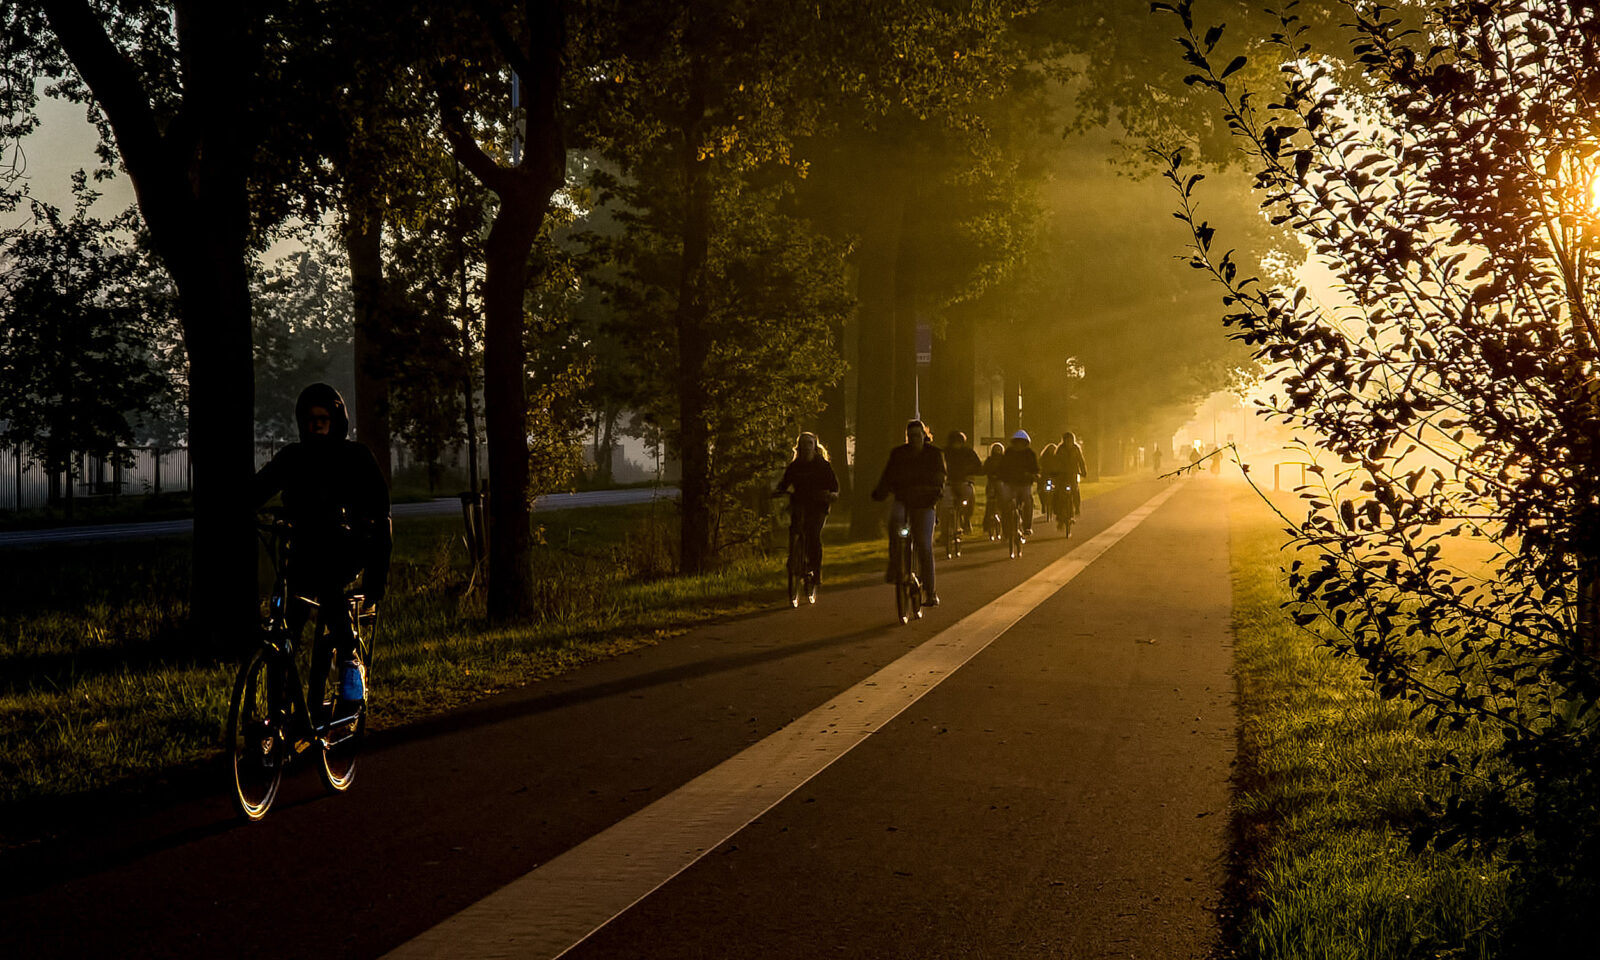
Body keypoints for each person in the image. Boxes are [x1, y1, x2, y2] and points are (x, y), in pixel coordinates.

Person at [254, 383, 391, 714]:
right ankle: (281, 710)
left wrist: (376, 575)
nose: (317, 424)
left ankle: (349, 661)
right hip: (303, 550)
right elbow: (259, 488)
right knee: (288, 622)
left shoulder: (355, 456)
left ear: (336, 419)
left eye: (324, 417)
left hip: (346, 550)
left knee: (327, 580)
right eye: (311, 418)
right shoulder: (293, 457)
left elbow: (381, 511)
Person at [871, 420, 946, 606]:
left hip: (925, 504)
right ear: (907, 437)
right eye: (910, 436)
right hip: (903, 500)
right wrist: (880, 492)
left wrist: (935, 492)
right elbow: (888, 476)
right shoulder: (898, 454)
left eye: (917, 435)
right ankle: (895, 564)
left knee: (924, 545)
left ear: (924, 436)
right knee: (895, 520)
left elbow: (940, 477)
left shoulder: (935, 454)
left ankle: (930, 591)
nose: (914, 439)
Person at [773, 432, 839, 589]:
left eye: (809, 443)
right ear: (799, 447)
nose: (806, 447)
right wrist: (779, 491)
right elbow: (785, 482)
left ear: (815, 447)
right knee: (794, 529)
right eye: (803, 444)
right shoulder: (794, 466)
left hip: (818, 505)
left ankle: (816, 570)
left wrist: (832, 494)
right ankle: (793, 559)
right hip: (800, 502)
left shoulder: (823, 465)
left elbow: (833, 485)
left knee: (813, 534)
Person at [994, 429, 1040, 538]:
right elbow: (1002, 467)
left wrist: (1034, 475)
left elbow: (1035, 468)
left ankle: (1027, 527)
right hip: (1010, 484)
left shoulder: (1030, 454)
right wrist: (999, 476)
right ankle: (1005, 531)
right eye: (1017, 442)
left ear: (1025, 443)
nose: (1019, 445)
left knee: (1028, 502)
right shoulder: (1009, 453)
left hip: (1024, 484)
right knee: (1006, 506)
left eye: (1022, 442)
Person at [942, 430, 984, 534]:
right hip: (948, 483)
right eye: (954, 442)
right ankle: (944, 532)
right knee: (944, 506)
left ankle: (966, 519)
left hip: (964, 482)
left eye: (959, 441)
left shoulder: (968, 452)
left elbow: (978, 466)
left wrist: (970, 472)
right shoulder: (944, 452)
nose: (957, 444)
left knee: (969, 497)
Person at [1056, 431, 1088, 522]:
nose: (1068, 442)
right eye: (1067, 440)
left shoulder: (1076, 449)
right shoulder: (1060, 449)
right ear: (1064, 440)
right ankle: (1059, 512)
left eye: (1070, 440)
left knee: (1075, 490)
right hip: (1062, 475)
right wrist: (1055, 472)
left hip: (1073, 474)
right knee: (1059, 492)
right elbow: (1056, 461)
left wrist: (1083, 471)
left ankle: (1077, 507)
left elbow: (1081, 461)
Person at [982, 441, 1006, 539]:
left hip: (1000, 482)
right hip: (992, 482)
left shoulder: (1005, 460)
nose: (997, 451)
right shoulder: (989, 460)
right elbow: (984, 469)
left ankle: (1004, 524)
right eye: (996, 449)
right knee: (990, 503)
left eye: (999, 449)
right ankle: (987, 525)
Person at [1036, 442, 1059, 524]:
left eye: (1053, 450)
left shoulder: (1058, 458)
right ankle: (1043, 504)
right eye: (1050, 450)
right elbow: (1038, 466)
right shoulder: (1043, 458)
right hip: (1045, 476)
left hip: (1055, 477)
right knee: (1040, 490)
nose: (1052, 451)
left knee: (1058, 490)